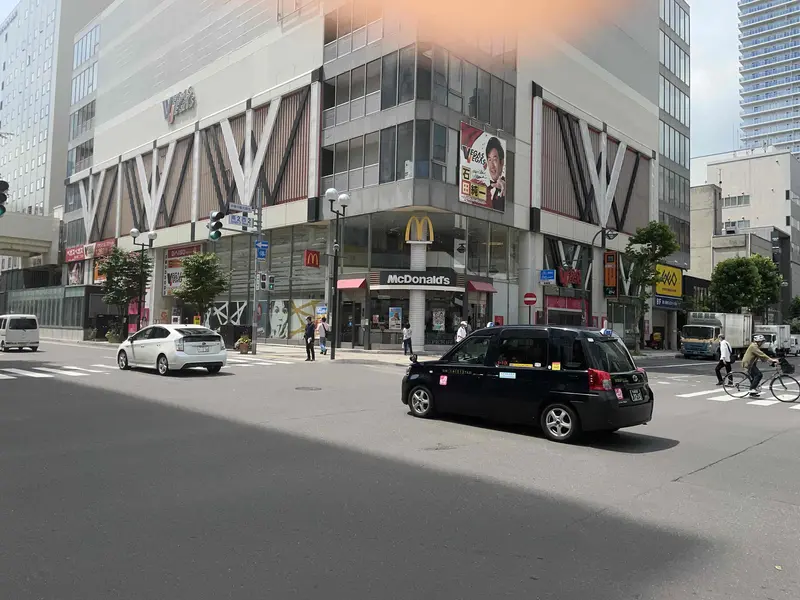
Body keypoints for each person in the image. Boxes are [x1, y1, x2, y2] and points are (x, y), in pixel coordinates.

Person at [485, 137, 506, 212]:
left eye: (494, 160)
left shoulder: (506, 188)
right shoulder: (485, 188)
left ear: (502, 162)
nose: (492, 166)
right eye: (489, 160)